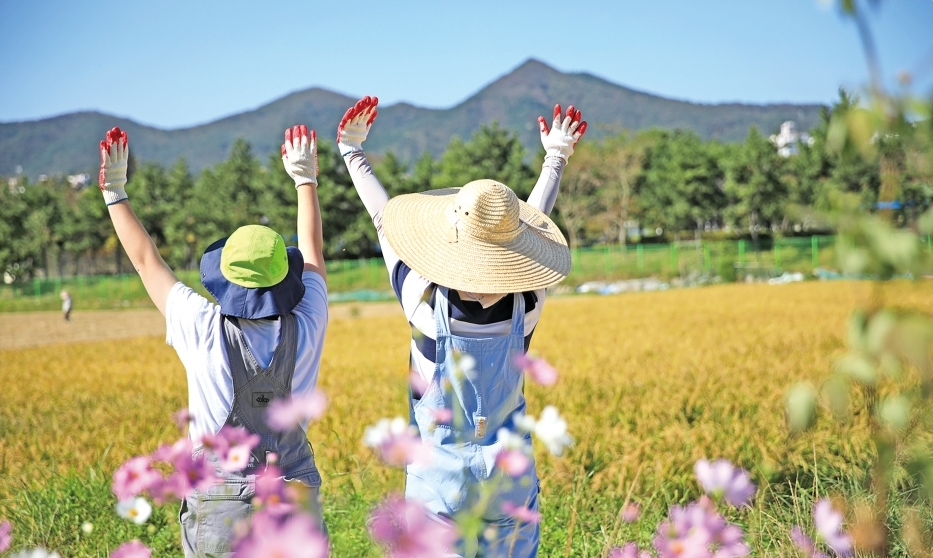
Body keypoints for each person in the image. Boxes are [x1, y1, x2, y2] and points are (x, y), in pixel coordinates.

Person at [338, 96, 586, 557]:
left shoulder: (421, 299)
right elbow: (538, 220)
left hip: (437, 474)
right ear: (517, 247)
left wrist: (352, 151)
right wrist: (557, 156)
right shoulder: (529, 299)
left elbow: (382, 220)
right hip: (509, 471)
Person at [97, 123, 328, 556]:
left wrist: (115, 191)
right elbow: (313, 253)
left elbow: (147, 262)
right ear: (284, 276)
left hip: (222, 500)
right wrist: (305, 179)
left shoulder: (202, 325)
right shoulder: (310, 318)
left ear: (225, 280)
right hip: (294, 486)